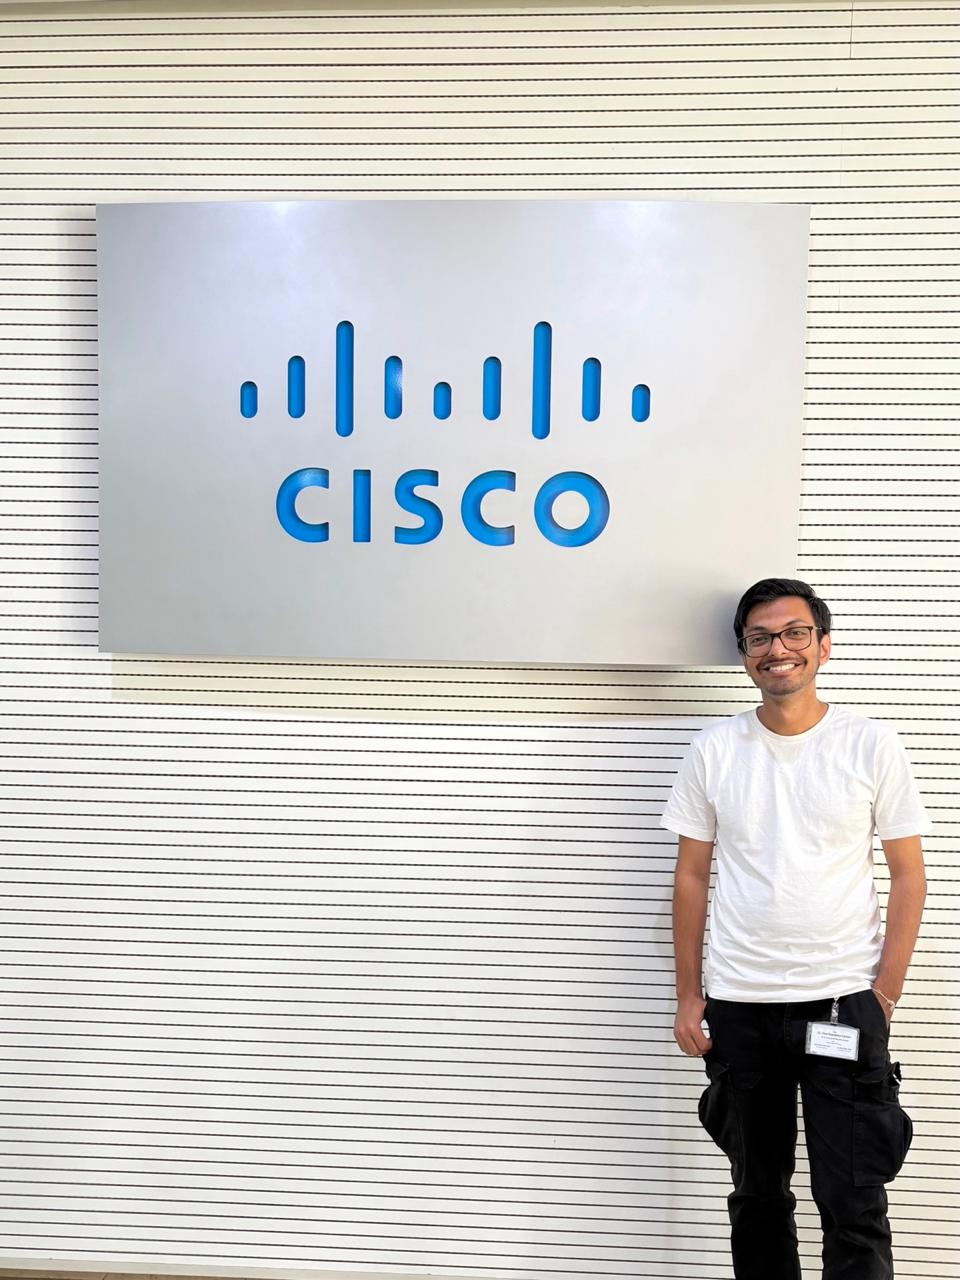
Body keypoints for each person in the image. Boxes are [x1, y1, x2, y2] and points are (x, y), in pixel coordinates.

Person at [661, 577, 929, 1280]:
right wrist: (689, 996)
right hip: (740, 1006)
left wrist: (884, 994)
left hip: (842, 1000)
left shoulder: (870, 744)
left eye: (793, 633)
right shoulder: (715, 748)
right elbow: (691, 877)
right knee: (757, 1198)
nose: (777, 649)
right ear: (744, 653)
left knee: (854, 1200)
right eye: (759, 638)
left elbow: (909, 874)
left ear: (823, 645)